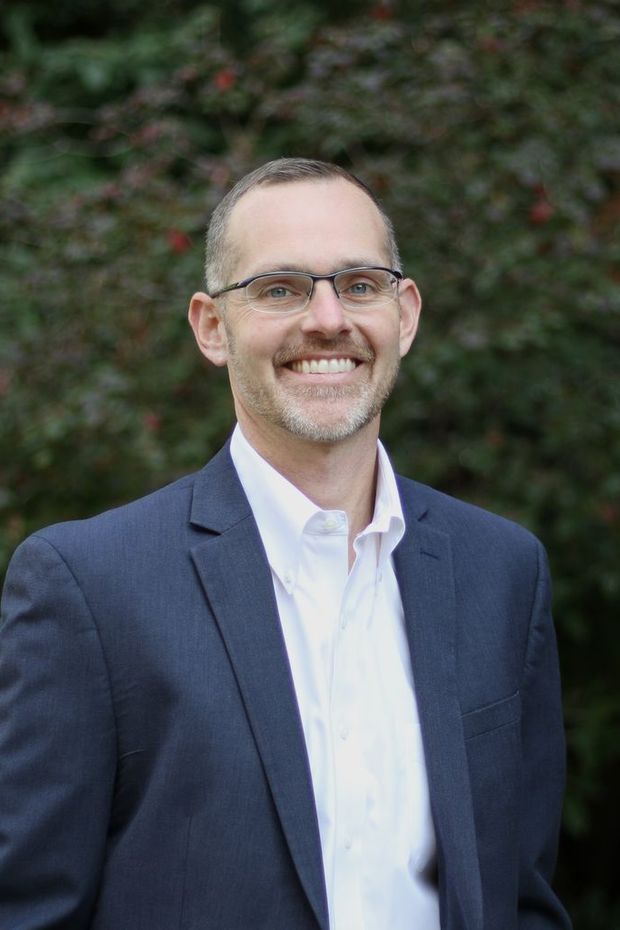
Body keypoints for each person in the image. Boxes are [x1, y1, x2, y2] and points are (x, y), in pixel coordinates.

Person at [0, 158, 571, 930]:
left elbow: (523, 898)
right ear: (211, 326)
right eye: (281, 289)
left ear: (405, 313)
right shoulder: (89, 588)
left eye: (360, 284)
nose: (329, 320)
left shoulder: (502, 572)